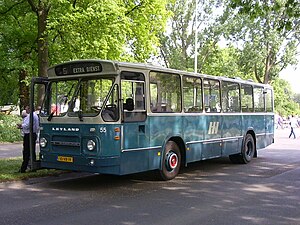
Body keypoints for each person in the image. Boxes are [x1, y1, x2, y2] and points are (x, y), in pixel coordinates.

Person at [17, 106, 40, 173]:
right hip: (32, 134)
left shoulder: (31, 116)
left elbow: (27, 125)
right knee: (31, 151)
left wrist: (21, 126)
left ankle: (24, 168)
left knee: (26, 152)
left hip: (29, 135)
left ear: (30, 109)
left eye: (26, 108)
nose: (25, 110)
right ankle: (32, 167)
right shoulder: (34, 115)